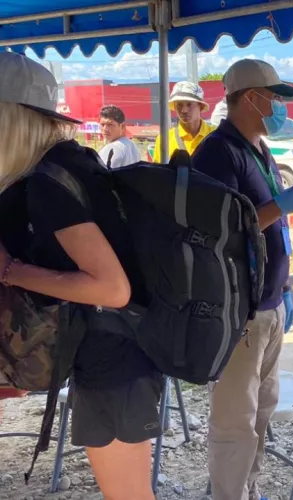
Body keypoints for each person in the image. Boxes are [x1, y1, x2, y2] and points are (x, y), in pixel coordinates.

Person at [0, 52, 162, 500]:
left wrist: (12, 271)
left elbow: (112, 288)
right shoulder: (72, 162)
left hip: (113, 355)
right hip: (117, 348)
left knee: (129, 495)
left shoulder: (49, 182)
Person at [192, 59, 293, 500]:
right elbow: (217, 232)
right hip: (238, 311)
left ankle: (249, 488)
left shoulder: (259, 148)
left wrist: (285, 288)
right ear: (249, 98)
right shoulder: (218, 153)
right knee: (234, 421)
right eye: (275, 97)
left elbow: (274, 233)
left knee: (261, 411)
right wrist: (282, 205)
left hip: (269, 305)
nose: (281, 106)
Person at [152, 81, 214, 162]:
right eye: (179, 105)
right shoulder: (164, 139)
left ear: (201, 106)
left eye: (189, 104)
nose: (184, 110)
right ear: (174, 107)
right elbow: (158, 168)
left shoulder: (216, 135)